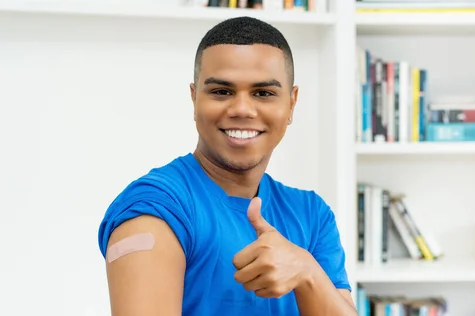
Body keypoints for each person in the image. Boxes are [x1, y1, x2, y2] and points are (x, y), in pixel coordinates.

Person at [97, 16, 357, 316]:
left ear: (291, 104)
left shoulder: (312, 215)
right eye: (222, 91)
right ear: (194, 99)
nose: (242, 110)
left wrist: (307, 272)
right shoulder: (156, 207)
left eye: (263, 93)